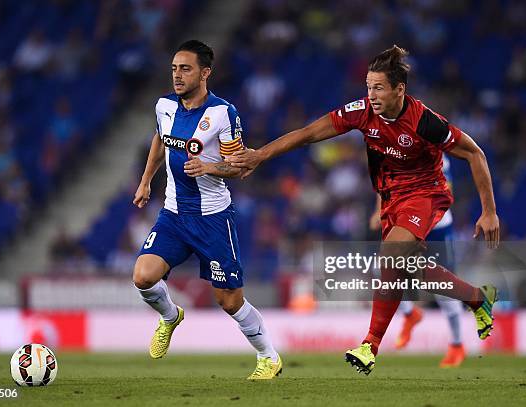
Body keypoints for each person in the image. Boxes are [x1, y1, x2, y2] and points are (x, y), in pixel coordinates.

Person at [226, 45, 499, 375]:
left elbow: (475, 154)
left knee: (390, 257)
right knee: (408, 268)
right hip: (390, 198)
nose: (371, 94)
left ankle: (369, 345)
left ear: (400, 89)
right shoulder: (362, 112)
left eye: (379, 87)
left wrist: (489, 212)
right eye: (368, 87)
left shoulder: (425, 121)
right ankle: (476, 299)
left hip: (425, 194)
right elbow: (309, 134)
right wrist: (260, 155)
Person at [132, 40, 282, 380]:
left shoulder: (222, 114)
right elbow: (160, 138)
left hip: (213, 218)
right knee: (143, 276)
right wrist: (145, 182)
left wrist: (210, 167)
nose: (177, 75)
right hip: (173, 215)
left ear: (205, 73)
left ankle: (268, 356)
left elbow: (239, 167)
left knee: (229, 301)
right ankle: (170, 317)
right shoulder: (164, 106)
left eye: (185, 69)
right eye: (174, 68)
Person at [370, 156, 466, 368]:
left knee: (443, 289)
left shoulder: (437, 157)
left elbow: (446, 191)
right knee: (382, 269)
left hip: (436, 227)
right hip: (406, 222)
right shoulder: (391, 151)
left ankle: (457, 345)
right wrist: (380, 210)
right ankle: (410, 313)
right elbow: (384, 184)